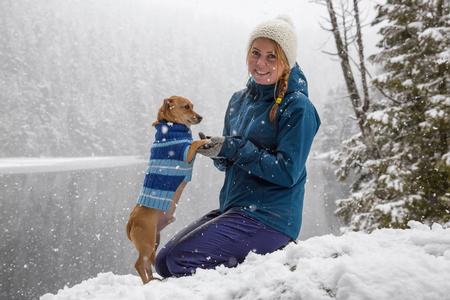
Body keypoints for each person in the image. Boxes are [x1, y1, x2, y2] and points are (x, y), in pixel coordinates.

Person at [155, 15, 321, 278]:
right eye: (255, 53)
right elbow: (229, 160)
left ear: (286, 62)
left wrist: (232, 148)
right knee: (163, 262)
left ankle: (248, 280)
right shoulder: (238, 101)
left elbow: (287, 172)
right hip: (235, 209)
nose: (261, 63)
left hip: (271, 220)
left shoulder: (298, 107)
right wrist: (217, 151)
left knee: (180, 260)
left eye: (271, 56)